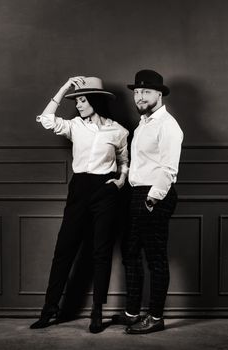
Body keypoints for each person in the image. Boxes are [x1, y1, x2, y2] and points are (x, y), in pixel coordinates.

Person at [30, 76, 129, 333]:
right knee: (64, 250)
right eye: (77, 101)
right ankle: (49, 310)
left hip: (105, 191)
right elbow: (47, 119)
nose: (79, 105)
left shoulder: (118, 131)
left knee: (101, 252)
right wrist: (64, 88)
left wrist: (120, 181)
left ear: (96, 100)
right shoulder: (75, 125)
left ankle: (97, 311)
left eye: (83, 100)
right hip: (79, 189)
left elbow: (123, 159)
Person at [112, 69, 183, 334]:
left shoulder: (168, 125)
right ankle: (132, 313)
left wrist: (152, 200)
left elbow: (168, 169)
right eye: (137, 92)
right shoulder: (144, 123)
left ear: (159, 94)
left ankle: (155, 317)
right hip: (136, 194)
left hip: (154, 195)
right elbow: (142, 162)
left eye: (146, 91)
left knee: (155, 259)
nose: (139, 96)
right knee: (130, 254)